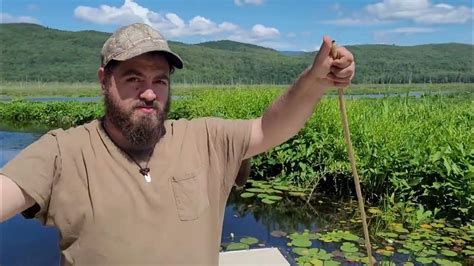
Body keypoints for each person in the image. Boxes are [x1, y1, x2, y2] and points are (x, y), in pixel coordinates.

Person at [0, 23, 355, 265]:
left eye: (160, 79)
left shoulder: (205, 139)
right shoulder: (64, 151)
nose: (150, 92)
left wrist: (315, 82)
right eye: (133, 78)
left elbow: (269, 127)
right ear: (104, 80)